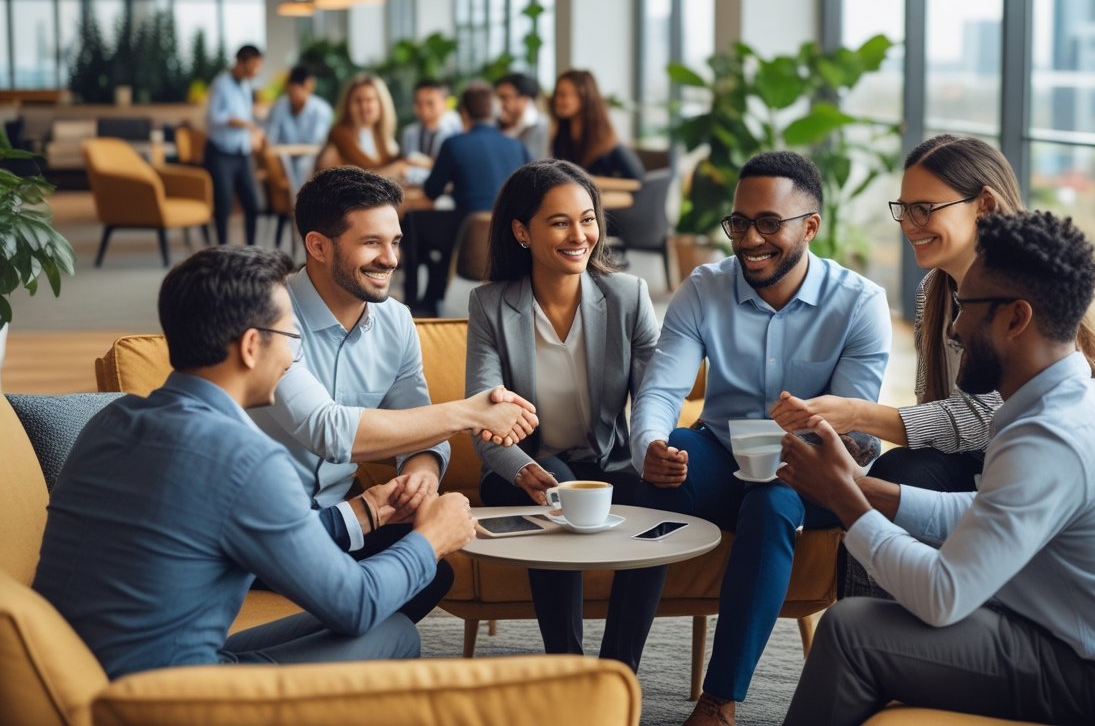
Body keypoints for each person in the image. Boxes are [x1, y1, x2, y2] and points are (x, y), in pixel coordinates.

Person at [776, 211, 1095, 725]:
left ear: (1015, 318)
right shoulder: (1086, 401)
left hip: (1093, 678)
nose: (954, 326)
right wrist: (863, 486)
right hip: (1094, 649)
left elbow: (942, 595)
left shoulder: (1051, 434)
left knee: (851, 631)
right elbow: (993, 510)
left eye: (966, 307)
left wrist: (843, 499)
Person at [33, 246, 479, 679]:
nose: (293, 357)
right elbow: (356, 604)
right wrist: (433, 538)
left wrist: (367, 511)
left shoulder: (111, 418)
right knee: (393, 632)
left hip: (68, 668)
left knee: (373, 619)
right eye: (292, 338)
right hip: (160, 693)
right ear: (251, 346)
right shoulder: (245, 456)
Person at [776, 135, 1095, 600]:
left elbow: (987, 416)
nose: (910, 225)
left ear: (984, 205)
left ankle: (878, 618)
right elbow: (937, 405)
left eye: (924, 209)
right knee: (894, 467)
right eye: (904, 210)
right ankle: (869, 615)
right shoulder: (934, 292)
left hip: (1024, 470)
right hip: (976, 461)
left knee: (896, 473)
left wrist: (858, 414)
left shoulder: (1026, 295)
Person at [615, 150, 892, 725]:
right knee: (662, 473)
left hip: (811, 471)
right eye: (739, 223)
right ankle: (612, 681)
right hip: (720, 451)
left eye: (769, 223)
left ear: (810, 227)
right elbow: (662, 389)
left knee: (772, 501)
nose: (749, 239)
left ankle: (719, 701)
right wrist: (650, 447)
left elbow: (855, 429)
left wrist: (818, 427)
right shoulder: (704, 288)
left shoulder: (858, 303)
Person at [247, 167, 539, 620]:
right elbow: (328, 430)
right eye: (371, 243)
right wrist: (468, 413)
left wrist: (420, 477)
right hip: (261, 532)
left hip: (343, 521)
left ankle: (344, 640)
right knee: (400, 589)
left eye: (395, 242)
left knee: (433, 572)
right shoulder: (270, 314)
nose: (390, 259)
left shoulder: (395, 321)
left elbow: (421, 430)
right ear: (318, 246)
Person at [466, 159, 659, 660]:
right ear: (521, 232)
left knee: (660, 504)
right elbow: (484, 418)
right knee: (557, 486)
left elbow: (655, 398)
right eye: (559, 222)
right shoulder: (490, 305)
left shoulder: (628, 296)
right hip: (525, 469)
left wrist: (656, 449)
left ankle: (618, 672)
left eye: (587, 219)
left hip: (609, 464)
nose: (579, 236)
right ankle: (567, 666)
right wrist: (523, 469)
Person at [403, 83, 530, 317]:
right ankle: (436, 287)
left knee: (413, 220)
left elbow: (431, 192)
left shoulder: (454, 144)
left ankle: (419, 301)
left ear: (463, 114)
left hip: (466, 235)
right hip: (510, 236)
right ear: (495, 112)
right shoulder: (518, 147)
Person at [205, 43, 264, 245]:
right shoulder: (220, 84)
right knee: (223, 205)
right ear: (242, 62)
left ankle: (251, 249)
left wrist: (253, 132)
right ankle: (222, 249)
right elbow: (213, 117)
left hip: (241, 153)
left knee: (252, 204)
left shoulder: (246, 85)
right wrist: (240, 122)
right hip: (220, 153)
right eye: (254, 65)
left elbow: (247, 116)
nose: (256, 70)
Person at [550, 69, 644, 181]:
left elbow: (638, 180)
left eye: (563, 95)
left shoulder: (608, 144)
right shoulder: (561, 134)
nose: (558, 100)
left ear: (583, 96)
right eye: (557, 94)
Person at [317, 73, 407, 179]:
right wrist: (393, 170)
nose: (364, 107)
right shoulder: (337, 138)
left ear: (381, 104)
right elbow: (330, 178)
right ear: (348, 104)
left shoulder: (386, 140)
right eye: (358, 101)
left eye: (369, 100)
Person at [265, 65, 334, 191]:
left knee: (304, 165)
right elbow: (271, 138)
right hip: (283, 158)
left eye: (298, 89)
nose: (294, 95)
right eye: (291, 91)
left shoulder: (321, 110)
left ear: (309, 86)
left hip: (311, 159)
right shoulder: (279, 107)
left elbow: (318, 143)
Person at [400, 78, 461, 172]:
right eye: (418, 103)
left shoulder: (455, 130)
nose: (424, 108)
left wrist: (430, 164)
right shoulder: (409, 133)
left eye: (430, 103)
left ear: (444, 103)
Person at [495, 72, 550, 160]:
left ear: (524, 99)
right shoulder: (497, 125)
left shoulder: (543, 126)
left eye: (505, 98)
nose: (500, 104)